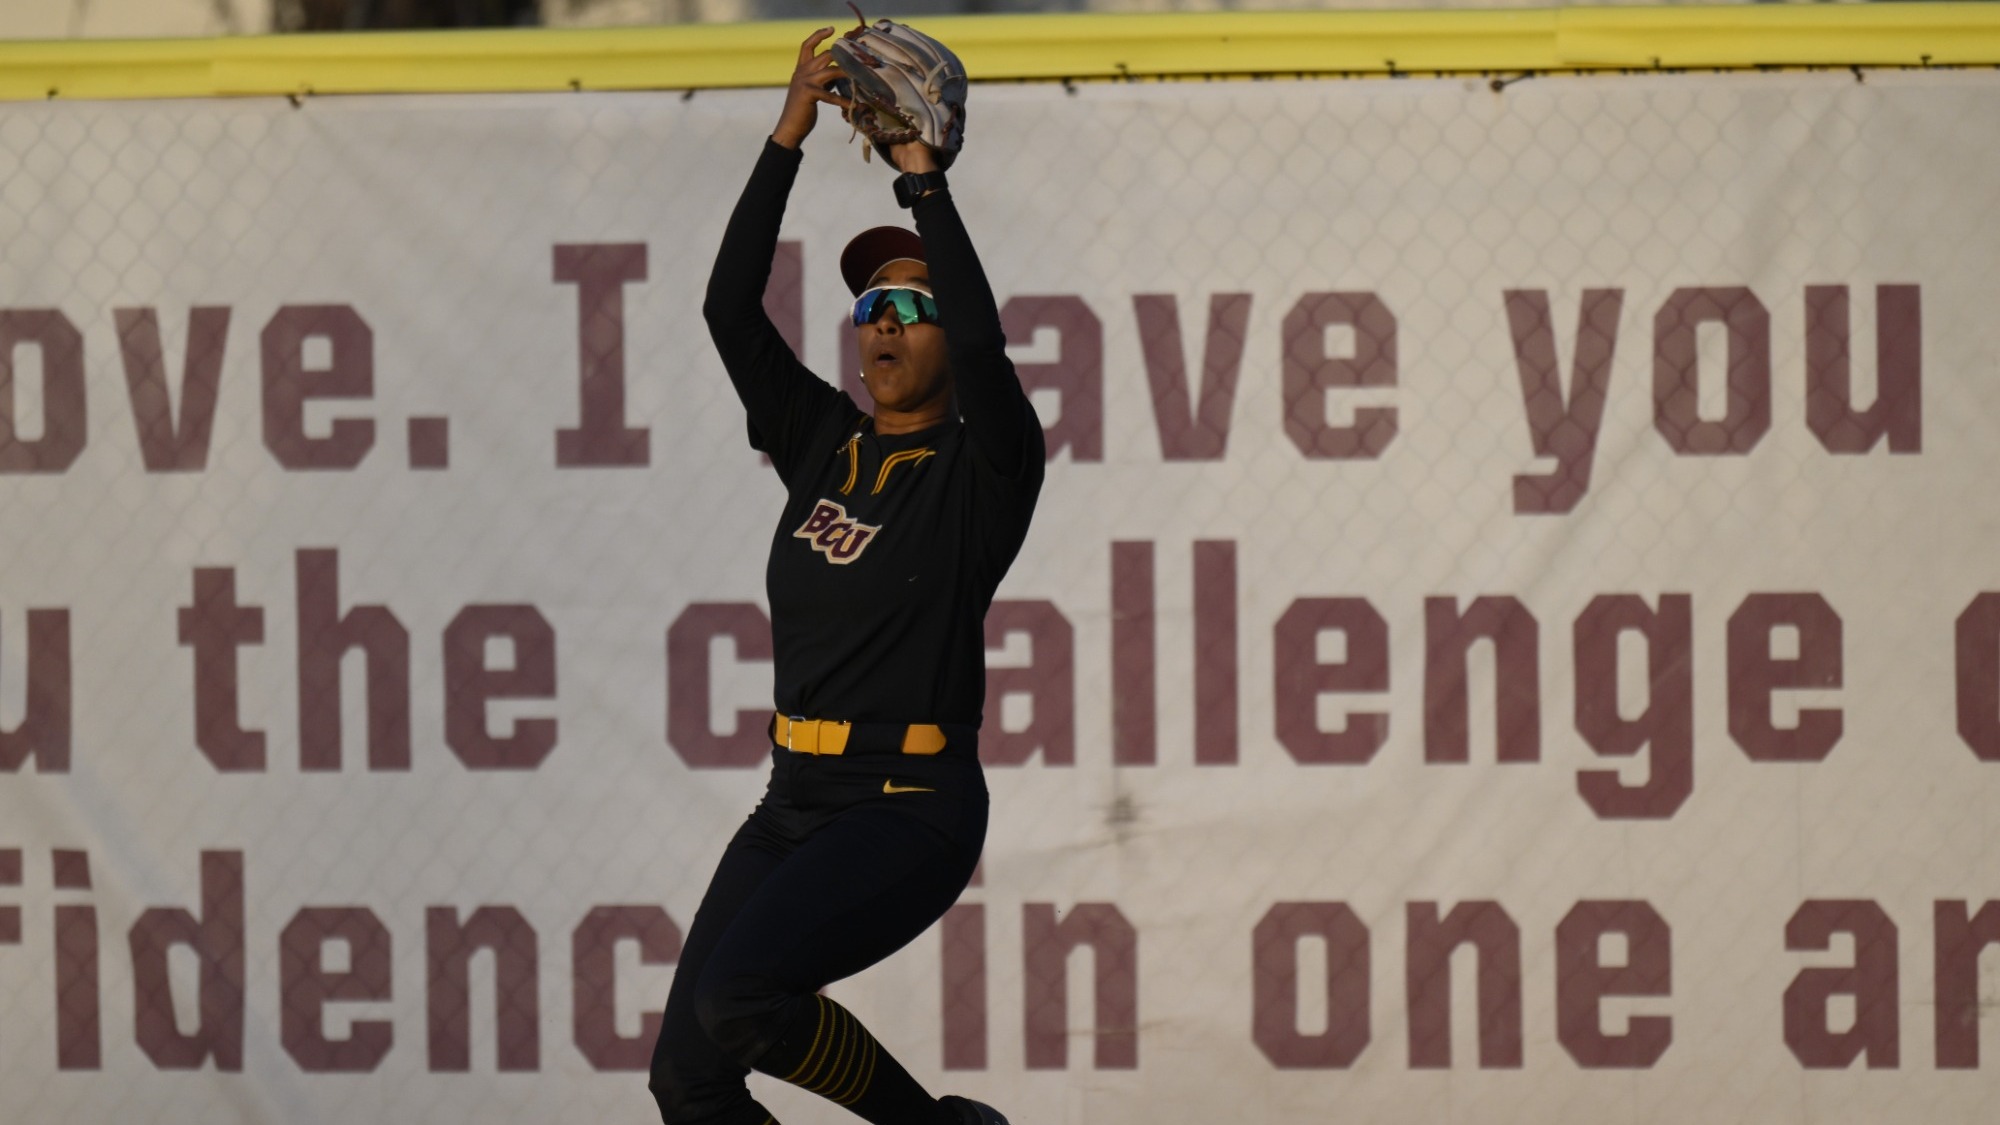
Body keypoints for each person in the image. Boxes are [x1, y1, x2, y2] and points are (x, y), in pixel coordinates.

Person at [647, 26, 1044, 1125]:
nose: (886, 323)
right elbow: (730, 310)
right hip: (793, 801)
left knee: (743, 995)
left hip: (908, 804)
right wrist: (787, 133)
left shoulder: (982, 468)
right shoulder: (826, 443)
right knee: (686, 1074)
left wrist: (922, 187)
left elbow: (982, 347)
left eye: (911, 309)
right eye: (871, 307)